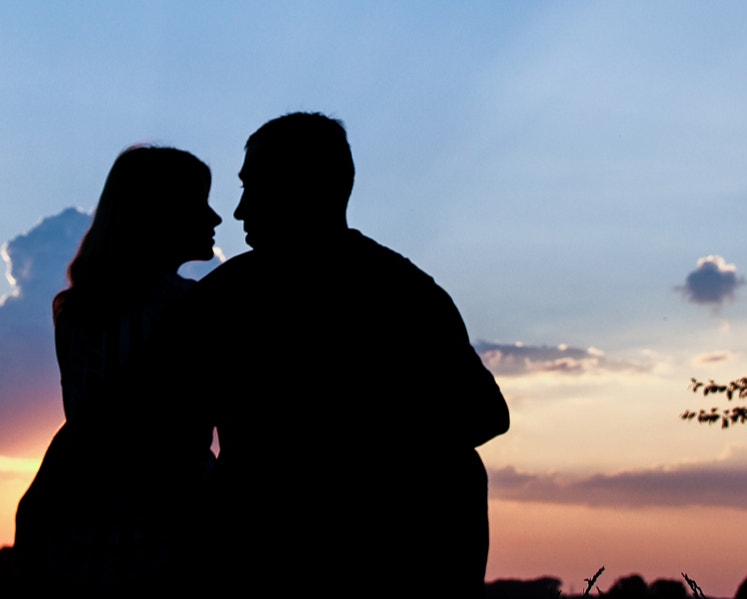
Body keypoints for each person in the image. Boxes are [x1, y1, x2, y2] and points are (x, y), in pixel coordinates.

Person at [191, 113, 509, 597]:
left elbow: (485, 416)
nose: (238, 212)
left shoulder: (227, 298)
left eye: (252, 187)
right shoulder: (405, 290)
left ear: (298, 188)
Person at [15, 146, 221, 589]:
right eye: (200, 203)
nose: (215, 218)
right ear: (160, 214)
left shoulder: (73, 311)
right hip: (166, 548)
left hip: (75, 547)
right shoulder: (191, 308)